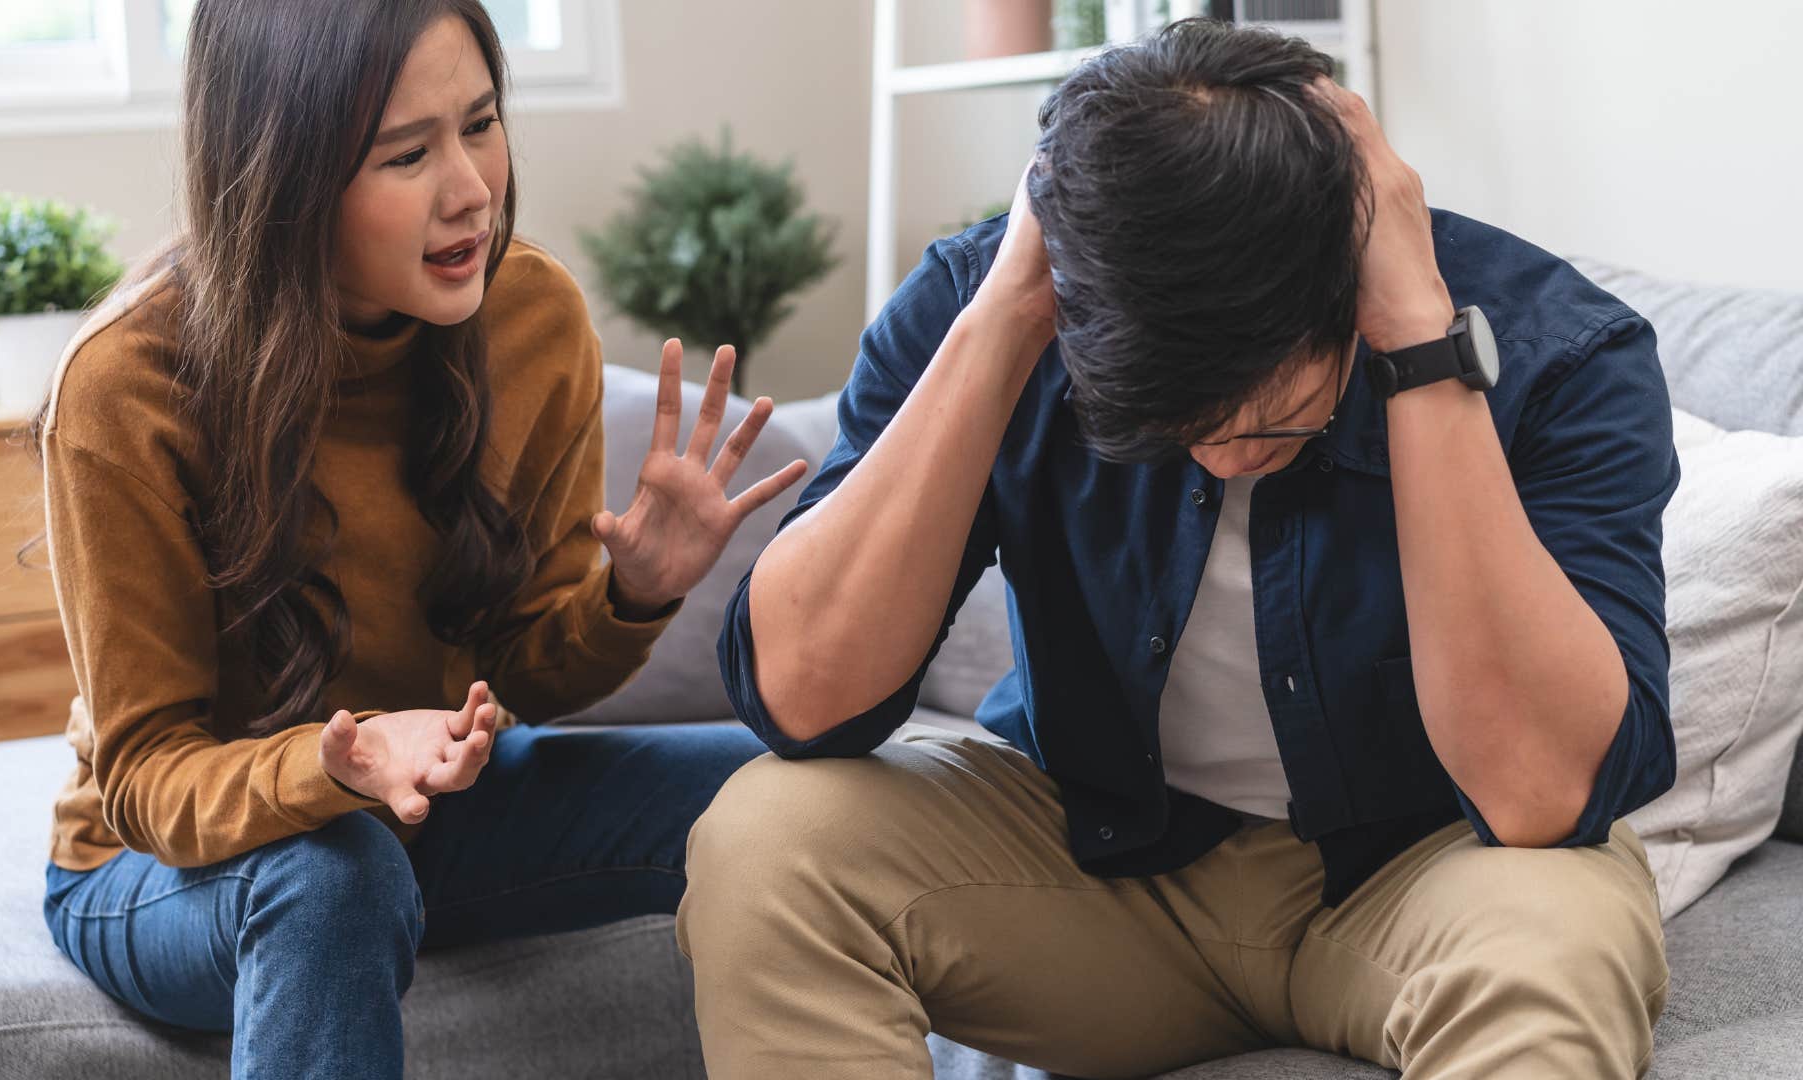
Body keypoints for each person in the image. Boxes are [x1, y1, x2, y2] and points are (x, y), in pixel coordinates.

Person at [680, 18, 1675, 1079]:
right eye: (1166, 431)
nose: (1220, 458)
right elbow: (803, 696)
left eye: (1272, 422)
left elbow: (1543, 797)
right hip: (1096, 872)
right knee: (767, 840)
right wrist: (1007, 313)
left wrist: (1419, 346)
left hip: (1427, 873)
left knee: (1563, 940)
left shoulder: (1560, 355)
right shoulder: (998, 302)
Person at [33, 2, 804, 1076]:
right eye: (408, 153)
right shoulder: (128, 385)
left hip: (430, 814)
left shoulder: (531, 315)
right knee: (333, 869)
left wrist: (634, 594)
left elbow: (526, 663)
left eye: (480, 124)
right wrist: (332, 764)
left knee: (790, 786)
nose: (472, 190)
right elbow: (148, 776)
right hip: (167, 866)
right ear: (288, 176)